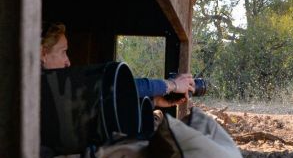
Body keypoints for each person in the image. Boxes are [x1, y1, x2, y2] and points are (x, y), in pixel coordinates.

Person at [40, 22, 195, 107]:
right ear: (42, 54)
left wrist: (154, 101)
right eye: (63, 52)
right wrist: (173, 85)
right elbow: (121, 87)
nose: (68, 62)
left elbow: (107, 104)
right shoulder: (47, 86)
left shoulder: (54, 89)